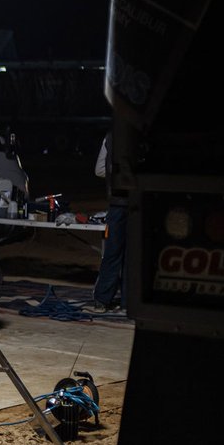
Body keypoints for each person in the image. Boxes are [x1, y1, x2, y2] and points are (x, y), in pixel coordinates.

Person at [92, 129, 127, 313]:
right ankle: (128, 303)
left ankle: (103, 299)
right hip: (139, 202)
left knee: (112, 251)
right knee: (134, 255)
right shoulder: (143, 135)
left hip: (117, 203)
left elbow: (99, 170)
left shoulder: (111, 136)